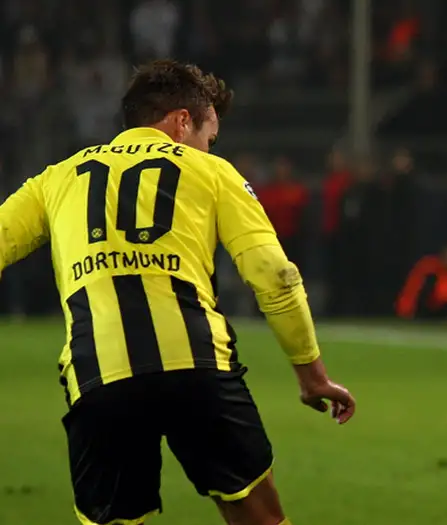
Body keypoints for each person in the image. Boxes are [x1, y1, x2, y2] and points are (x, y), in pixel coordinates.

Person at [0, 60, 356, 525]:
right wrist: (312, 375)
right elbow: (275, 274)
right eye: (210, 137)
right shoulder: (212, 172)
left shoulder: (56, 178)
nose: (209, 149)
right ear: (182, 121)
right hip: (198, 368)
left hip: (99, 375)